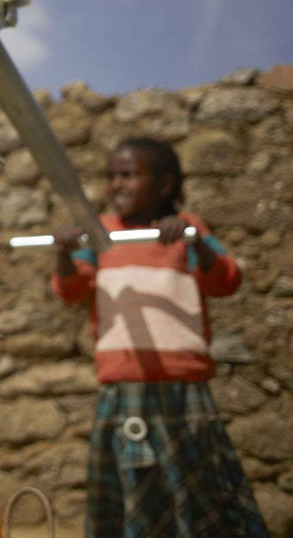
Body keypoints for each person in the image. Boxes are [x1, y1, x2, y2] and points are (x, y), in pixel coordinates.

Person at [51, 137, 266, 537]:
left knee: (195, 491)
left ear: (165, 185)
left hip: (184, 389)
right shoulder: (98, 235)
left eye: (129, 175)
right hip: (125, 389)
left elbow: (227, 280)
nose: (116, 185)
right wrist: (64, 253)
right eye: (112, 176)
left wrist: (194, 241)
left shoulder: (188, 230)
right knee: (136, 492)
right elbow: (71, 290)